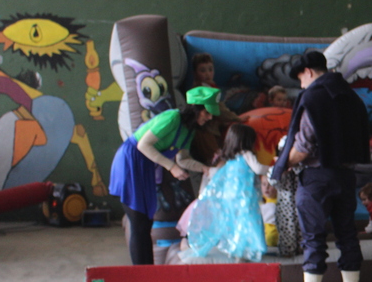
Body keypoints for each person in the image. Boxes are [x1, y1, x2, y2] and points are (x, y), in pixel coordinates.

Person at [269, 50, 369, 282]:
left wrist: (283, 164)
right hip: (346, 176)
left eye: (301, 78)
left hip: (315, 178)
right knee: (347, 235)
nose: (301, 84)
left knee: (313, 238)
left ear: (309, 72)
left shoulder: (313, 97)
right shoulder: (351, 97)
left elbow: (304, 145)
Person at [108, 86, 220, 265]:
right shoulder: (172, 118)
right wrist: (171, 167)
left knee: (146, 223)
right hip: (131, 161)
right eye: (207, 113)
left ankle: (149, 270)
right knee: (138, 222)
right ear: (195, 109)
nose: (209, 117)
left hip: (146, 166)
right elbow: (143, 145)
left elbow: (183, 159)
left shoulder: (189, 130)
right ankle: (141, 272)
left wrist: (204, 169)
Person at [184, 123, 268, 263]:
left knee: (234, 223)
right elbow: (258, 170)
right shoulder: (246, 154)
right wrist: (275, 168)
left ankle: (236, 250)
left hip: (230, 197)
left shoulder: (230, 159)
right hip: (244, 197)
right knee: (248, 222)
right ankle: (244, 252)